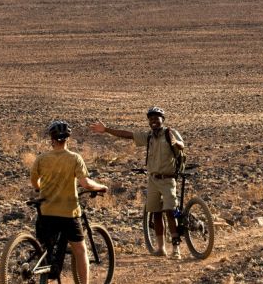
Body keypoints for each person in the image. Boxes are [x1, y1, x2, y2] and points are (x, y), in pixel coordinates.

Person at [90, 106, 185, 259]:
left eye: (157, 118)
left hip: (168, 179)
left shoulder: (170, 133)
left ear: (163, 119)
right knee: (155, 213)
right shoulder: (148, 136)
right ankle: (161, 248)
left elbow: (181, 145)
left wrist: (176, 143)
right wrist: (106, 129)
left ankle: (176, 248)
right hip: (153, 180)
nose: (153, 121)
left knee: (170, 211)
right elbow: (127, 135)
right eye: (151, 118)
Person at [31, 120, 108, 283]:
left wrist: (40, 188)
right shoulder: (75, 158)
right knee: (80, 251)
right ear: (68, 139)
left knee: (47, 247)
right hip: (68, 212)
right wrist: (101, 187)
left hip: (46, 211)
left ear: (51, 139)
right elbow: (85, 184)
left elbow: (34, 182)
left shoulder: (41, 159)